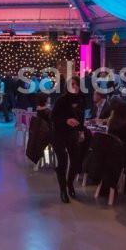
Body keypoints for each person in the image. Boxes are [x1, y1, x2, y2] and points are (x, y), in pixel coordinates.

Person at [51, 75, 86, 203]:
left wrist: (81, 131)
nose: (74, 87)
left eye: (76, 84)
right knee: (63, 162)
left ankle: (70, 183)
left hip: (72, 134)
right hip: (59, 134)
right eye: (72, 85)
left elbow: (81, 117)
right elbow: (53, 117)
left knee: (76, 161)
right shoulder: (62, 100)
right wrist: (66, 120)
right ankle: (63, 190)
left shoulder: (81, 99)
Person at [26, 93, 53, 165]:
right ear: (45, 100)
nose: (50, 98)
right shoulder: (47, 111)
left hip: (39, 133)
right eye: (49, 97)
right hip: (46, 134)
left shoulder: (39, 108)